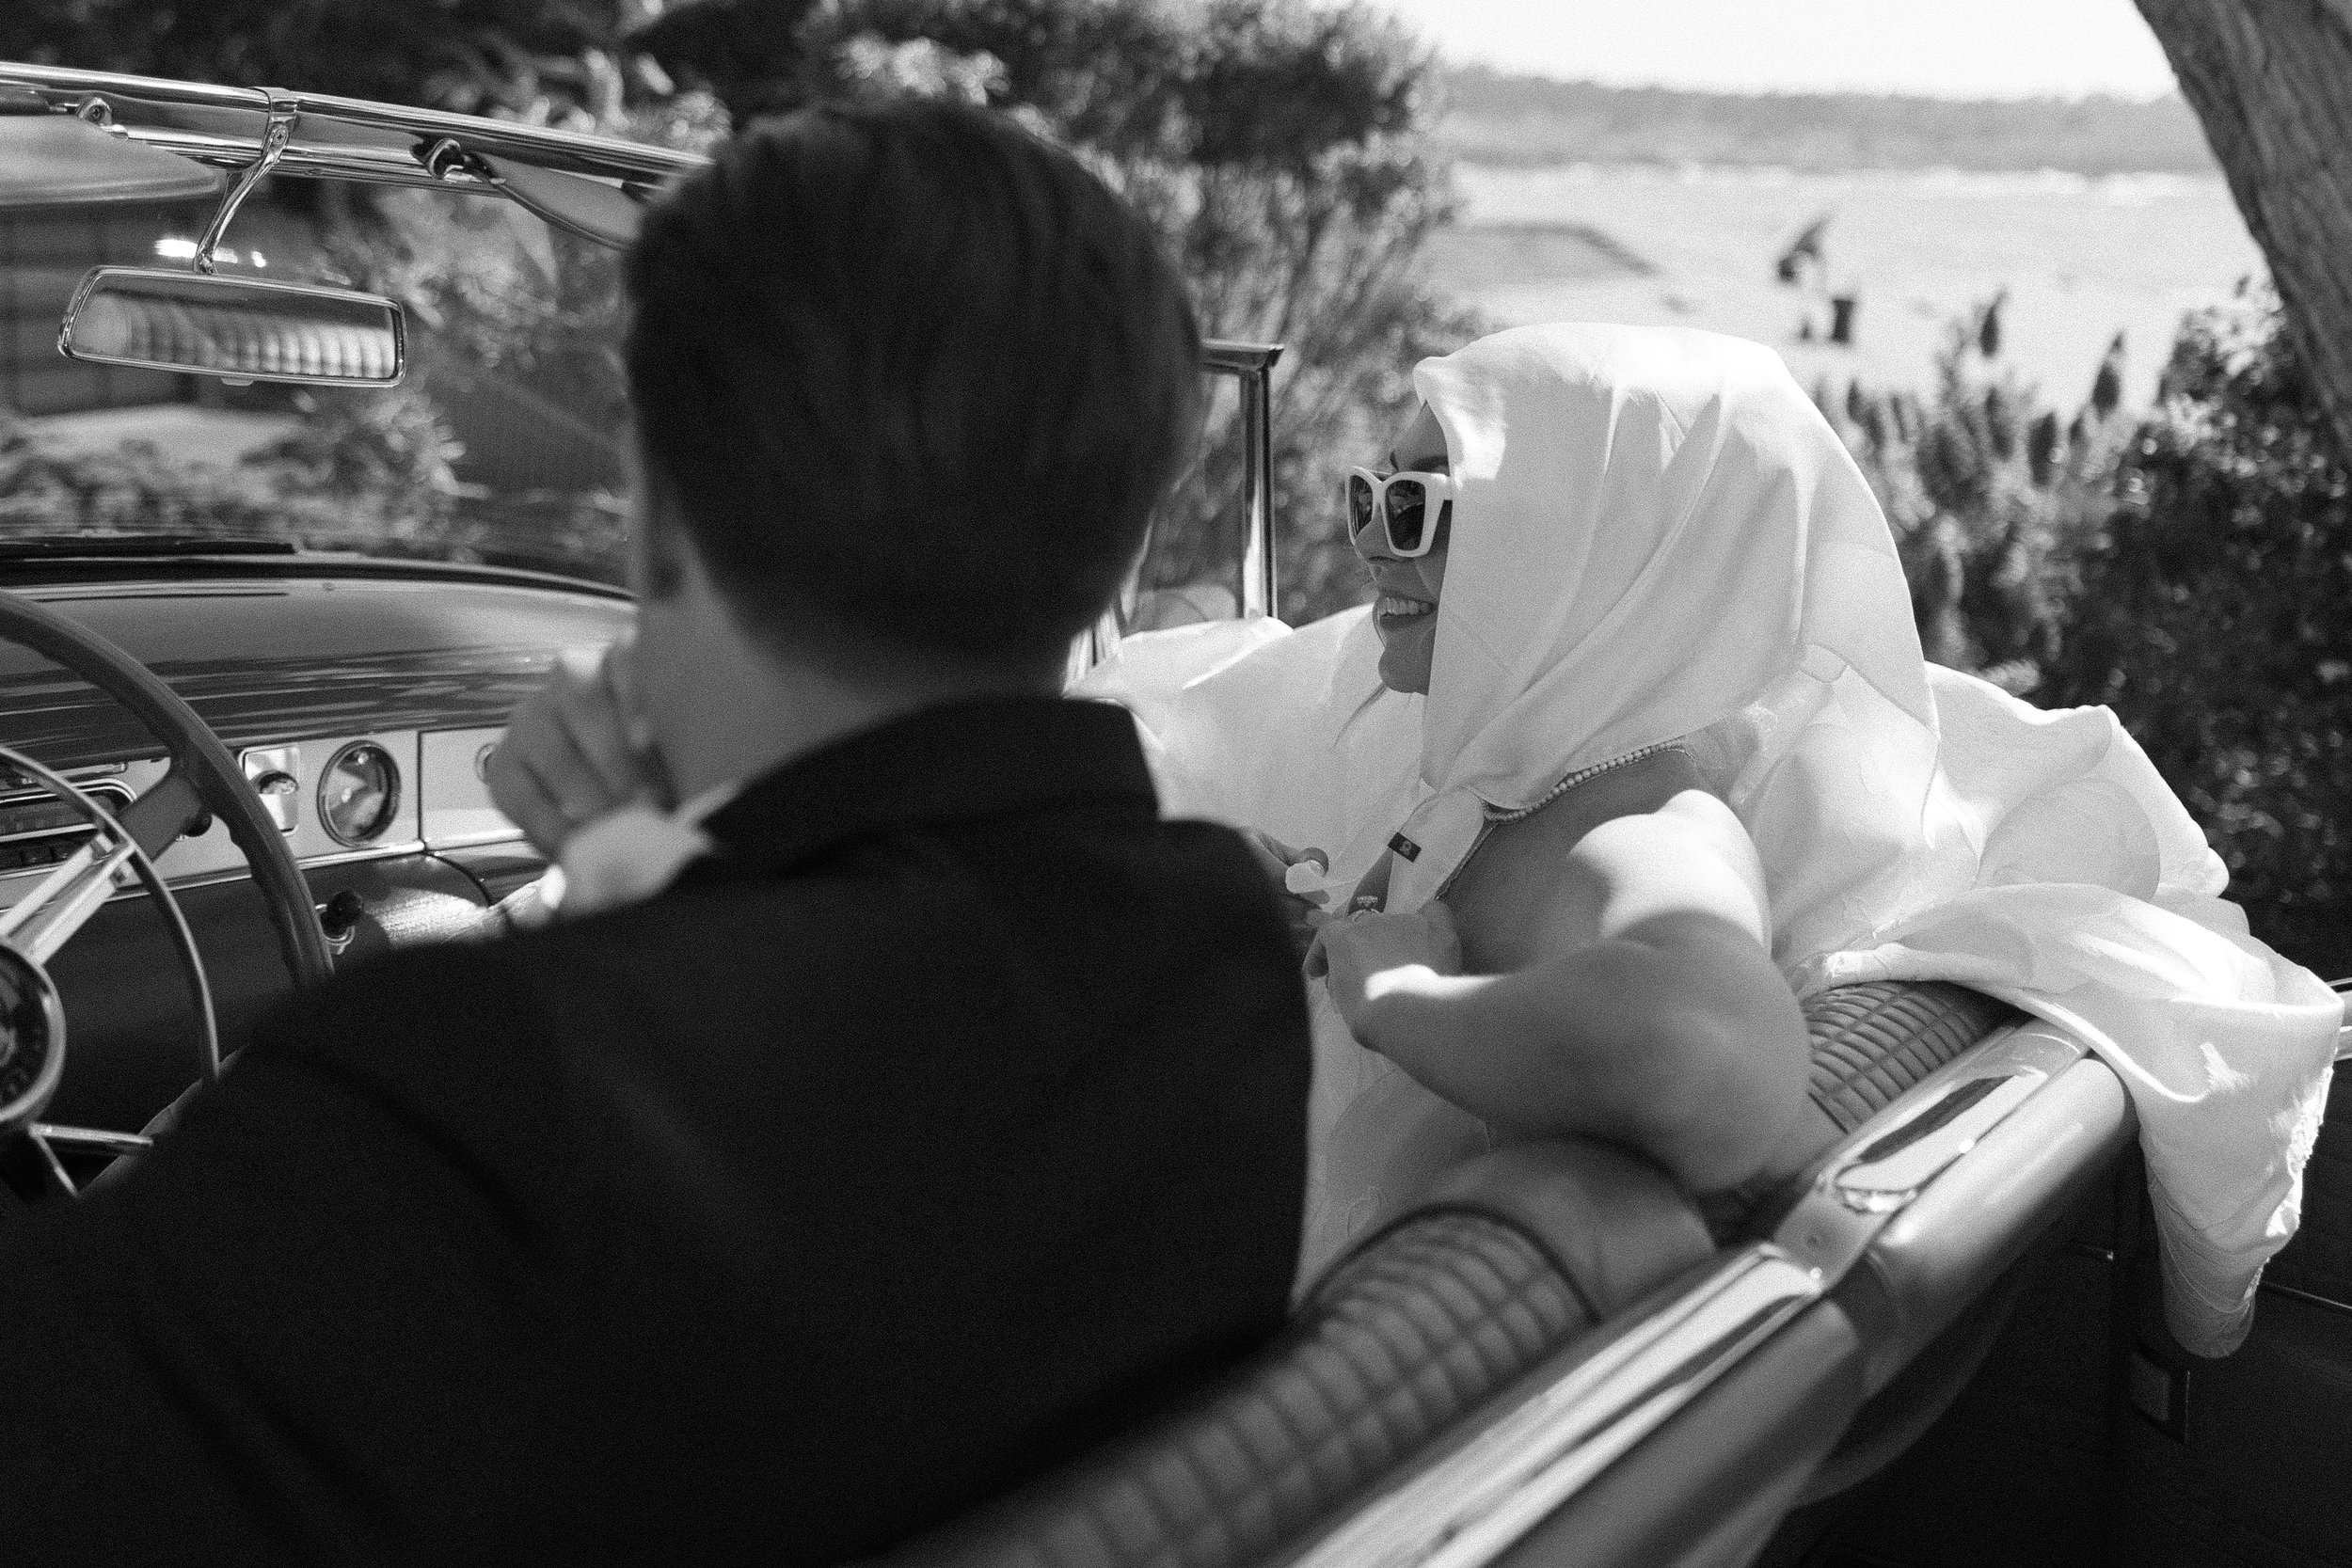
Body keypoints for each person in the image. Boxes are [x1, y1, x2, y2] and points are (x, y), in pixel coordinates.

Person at [0, 101, 1311, 1561]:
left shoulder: (486, 1081)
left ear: (662, 516)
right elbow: (826, 1172)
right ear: (1116, 534)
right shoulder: (1219, 958)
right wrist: (645, 885)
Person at [1089, 323, 2338, 1349]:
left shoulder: (1642, 826)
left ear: (1592, 557)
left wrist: (1395, 997)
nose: (1371, 544)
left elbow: (1717, 1062)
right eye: (1371, 497)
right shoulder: (1530, 789)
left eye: (1417, 507)